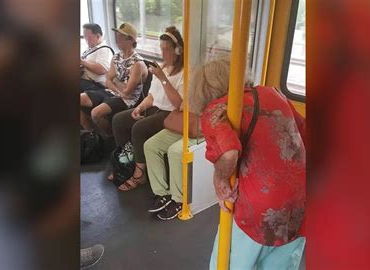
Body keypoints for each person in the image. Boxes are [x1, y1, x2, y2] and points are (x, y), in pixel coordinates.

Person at [191, 61, 306, 269]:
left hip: (262, 207)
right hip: (302, 197)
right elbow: (303, 131)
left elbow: (229, 151)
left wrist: (220, 180)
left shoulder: (216, 110)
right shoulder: (273, 93)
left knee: (231, 260)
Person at [143, 58, 234, 220]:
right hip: (189, 125)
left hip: (204, 131)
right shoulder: (198, 88)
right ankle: (161, 193)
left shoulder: (230, 100)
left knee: (176, 151)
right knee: (151, 145)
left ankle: (178, 199)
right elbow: (182, 106)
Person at [109, 26, 185, 192]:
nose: (163, 53)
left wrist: (164, 79)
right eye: (161, 49)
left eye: (167, 49)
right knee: (119, 120)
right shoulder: (162, 68)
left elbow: (179, 104)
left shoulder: (184, 73)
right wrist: (140, 107)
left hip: (170, 113)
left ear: (178, 50)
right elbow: (151, 96)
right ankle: (126, 163)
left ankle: (139, 174)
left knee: (139, 128)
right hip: (154, 107)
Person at [80, 22, 148, 138]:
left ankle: (108, 136)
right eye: (117, 36)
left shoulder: (138, 63)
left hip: (127, 100)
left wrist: (114, 82)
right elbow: (108, 80)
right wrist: (116, 85)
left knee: (95, 113)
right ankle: (91, 135)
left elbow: (127, 92)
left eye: (121, 36)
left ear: (130, 40)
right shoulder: (116, 57)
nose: (117, 38)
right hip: (112, 92)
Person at [80, 23, 113, 93]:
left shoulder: (104, 50)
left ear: (98, 36)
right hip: (85, 80)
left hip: (95, 85)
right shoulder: (89, 49)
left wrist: (82, 62)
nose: (86, 41)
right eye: (84, 37)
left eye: (88, 38)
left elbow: (101, 70)